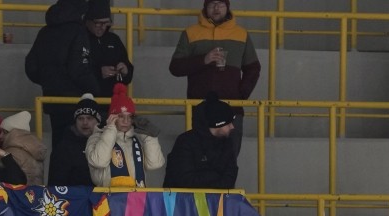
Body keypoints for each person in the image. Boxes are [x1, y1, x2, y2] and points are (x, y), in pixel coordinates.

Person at [169, 0, 260, 157]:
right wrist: (203, 60)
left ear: (227, 7)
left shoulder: (241, 34)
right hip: (201, 108)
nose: (216, 8)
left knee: (230, 159)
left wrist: (241, 94)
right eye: (212, 4)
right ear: (205, 7)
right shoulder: (190, 33)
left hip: (232, 108)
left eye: (221, 4)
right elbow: (175, 67)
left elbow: (253, 68)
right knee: (200, 158)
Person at [24, 0, 99, 146]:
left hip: (51, 99)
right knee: (77, 148)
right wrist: (95, 90)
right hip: (75, 101)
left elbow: (31, 67)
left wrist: (49, 81)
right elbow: (79, 69)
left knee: (58, 146)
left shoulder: (44, 32)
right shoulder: (77, 31)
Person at [86, 83, 164, 188]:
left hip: (137, 196)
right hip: (107, 196)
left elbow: (155, 164)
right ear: (112, 117)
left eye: (130, 117)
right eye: (121, 116)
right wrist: (110, 129)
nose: (126, 121)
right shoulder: (96, 137)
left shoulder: (139, 138)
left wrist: (148, 135)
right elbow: (99, 162)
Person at [163, 92, 238, 189]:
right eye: (228, 123)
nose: (232, 127)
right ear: (217, 124)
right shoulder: (185, 142)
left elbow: (230, 179)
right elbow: (185, 181)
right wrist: (216, 174)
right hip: (183, 199)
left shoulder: (227, 143)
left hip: (219, 199)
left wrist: (207, 177)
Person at [48, 94, 101, 187]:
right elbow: (55, 185)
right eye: (80, 118)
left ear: (98, 121)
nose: (85, 122)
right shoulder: (63, 148)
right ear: (75, 122)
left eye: (89, 118)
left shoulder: (106, 143)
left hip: (102, 195)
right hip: (72, 195)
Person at [83, 0, 132, 99]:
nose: (102, 27)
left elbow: (127, 69)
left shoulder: (114, 39)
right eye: (98, 23)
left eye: (106, 23)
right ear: (87, 21)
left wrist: (125, 71)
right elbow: (75, 70)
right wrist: (98, 72)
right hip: (86, 100)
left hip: (112, 100)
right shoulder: (79, 39)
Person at [0, 111, 47, 186]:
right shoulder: (35, 150)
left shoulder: (11, 153)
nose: (0, 136)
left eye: (4, 132)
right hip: (36, 192)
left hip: (19, 193)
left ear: (14, 134)